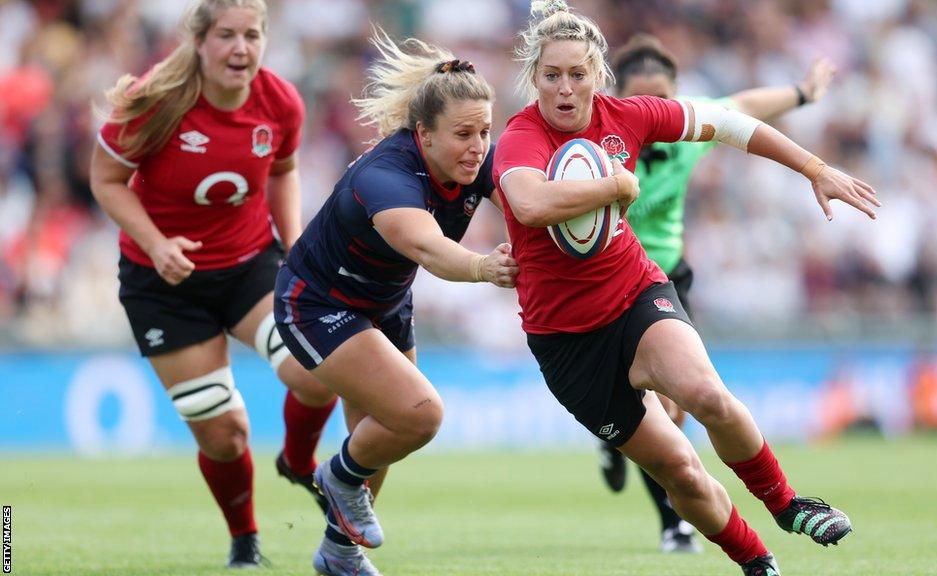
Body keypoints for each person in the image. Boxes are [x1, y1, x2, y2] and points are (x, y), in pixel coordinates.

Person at [495, 2, 880, 575]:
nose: (566, 88)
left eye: (578, 73)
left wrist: (814, 168)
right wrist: (614, 184)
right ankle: (757, 562)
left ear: (599, 76)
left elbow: (730, 122)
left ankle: (786, 503)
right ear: (534, 80)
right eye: (552, 75)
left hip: (636, 294)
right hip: (568, 343)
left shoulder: (630, 114)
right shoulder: (521, 136)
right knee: (680, 471)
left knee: (708, 396)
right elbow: (528, 202)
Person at [89, 0, 340, 568]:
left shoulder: (279, 101)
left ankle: (299, 462)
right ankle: (245, 542)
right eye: (227, 35)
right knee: (225, 435)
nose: (240, 48)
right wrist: (156, 244)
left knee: (320, 370)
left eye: (252, 35)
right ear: (200, 42)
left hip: (250, 266)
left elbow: (282, 169)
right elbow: (106, 179)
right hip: (163, 284)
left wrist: (293, 242)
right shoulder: (158, 102)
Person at [273, 30, 517, 576]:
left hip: (383, 305)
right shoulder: (385, 178)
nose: (478, 146)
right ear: (422, 133)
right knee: (419, 415)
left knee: (380, 433)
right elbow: (430, 248)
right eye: (463, 134)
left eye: (485, 131)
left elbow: (526, 200)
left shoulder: (476, 163)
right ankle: (336, 474)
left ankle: (339, 554)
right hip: (316, 303)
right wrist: (485, 266)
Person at [596, 34, 839, 555]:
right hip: (607, 279)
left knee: (671, 408)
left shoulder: (690, 128)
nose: (656, 110)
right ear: (621, 98)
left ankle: (673, 523)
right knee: (643, 412)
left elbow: (746, 108)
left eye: (664, 97)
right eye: (644, 98)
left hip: (664, 281)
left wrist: (801, 94)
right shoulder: (597, 144)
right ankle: (617, 441)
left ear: (676, 95)